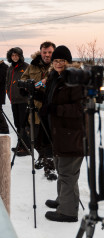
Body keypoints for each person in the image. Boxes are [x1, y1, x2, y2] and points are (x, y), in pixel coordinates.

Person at [43, 45, 84, 222]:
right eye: (56, 60)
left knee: (67, 172)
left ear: (68, 62)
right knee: (63, 169)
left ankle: (68, 212)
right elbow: (52, 100)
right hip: (60, 132)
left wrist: (55, 109)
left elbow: (80, 108)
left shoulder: (75, 79)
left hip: (72, 133)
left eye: (62, 60)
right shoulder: (56, 77)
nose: (58, 63)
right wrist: (36, 96)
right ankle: (64, 200)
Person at [20, 41, 57, 180]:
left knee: (48, 139)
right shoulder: (33, 65)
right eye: (44, 52)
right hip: (35, 108)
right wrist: (26, 88)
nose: (47, 55)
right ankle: (42, 157)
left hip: (50, 109)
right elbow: (23, 80)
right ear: (40, 52)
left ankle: (50, 167)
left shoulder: (58, 65)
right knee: (33, 136)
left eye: (50, 52)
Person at [6, 47, 30, 156]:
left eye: (16, 55)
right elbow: (8, 82)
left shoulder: (25, 67)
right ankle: (20, 144)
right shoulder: (10, 68)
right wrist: (8, 91)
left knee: (23, 124)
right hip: (14, 99)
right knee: (17, 123)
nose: (15, 57)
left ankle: (26, 147)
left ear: (20, 56)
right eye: (13, 55)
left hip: (23, 100)